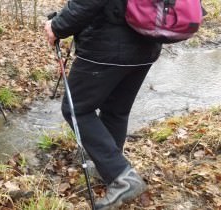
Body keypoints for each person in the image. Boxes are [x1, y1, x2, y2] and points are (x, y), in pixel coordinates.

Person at [43, 0, 162, 209]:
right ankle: (110, 171)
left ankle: (122, 176)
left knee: (75, 109)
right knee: (116, 111)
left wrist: (57, 26)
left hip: (106, 46)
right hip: (148, 44)